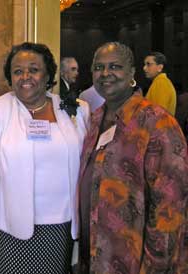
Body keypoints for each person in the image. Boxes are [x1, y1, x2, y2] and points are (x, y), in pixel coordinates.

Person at [0, 42, 90, 274]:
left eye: (33, 69)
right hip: (14, 227)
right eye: (17, 71)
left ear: (48, 75)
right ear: (10, 78)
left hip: (62, 227)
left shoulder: (74, 109)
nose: (25, 76)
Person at [78, 42, 188, 273]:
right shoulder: (95, 119)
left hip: (136, 262)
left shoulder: (157, 123)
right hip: (97, 256)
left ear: (131, 73)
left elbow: (171, 207)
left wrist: (155, 266)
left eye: (115, 66)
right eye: (99, 67)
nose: (105, 74)